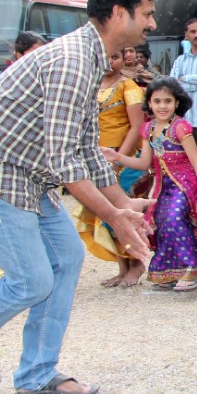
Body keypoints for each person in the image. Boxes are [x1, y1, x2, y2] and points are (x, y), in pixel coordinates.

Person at [0, 0, 155, 394]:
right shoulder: (72, 61)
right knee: (31, 280)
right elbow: (63, 160)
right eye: (147, 14)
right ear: (119, 13)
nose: (152, 24)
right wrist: (113, 217)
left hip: (27, 181)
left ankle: (36, 375)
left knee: (66, 259)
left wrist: (124, 203)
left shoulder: (92, 59)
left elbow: (86, 148)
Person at [106, 77, 197, 291]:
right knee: (162, 224)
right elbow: (144, 162)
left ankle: (190, 269)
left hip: (185, 186)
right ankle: (169, 274)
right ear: (149, 104)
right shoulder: (148, 129)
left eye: (167, 101)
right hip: (162, 187)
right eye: (157, 101)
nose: (162, 106)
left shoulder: (181, 128)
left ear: (177, 103)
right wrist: (116, 156)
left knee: (174, 218)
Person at [78, 49, 147, 288]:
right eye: (105, 58)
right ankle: (122, 267)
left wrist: (119, 159)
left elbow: (136, 125)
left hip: (121, 159)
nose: (110, 63)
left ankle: (137, 264)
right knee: (105, 215)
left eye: (115, 58)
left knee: (123, 211)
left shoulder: (128, 87)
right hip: (96, 158)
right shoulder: (90, 86)